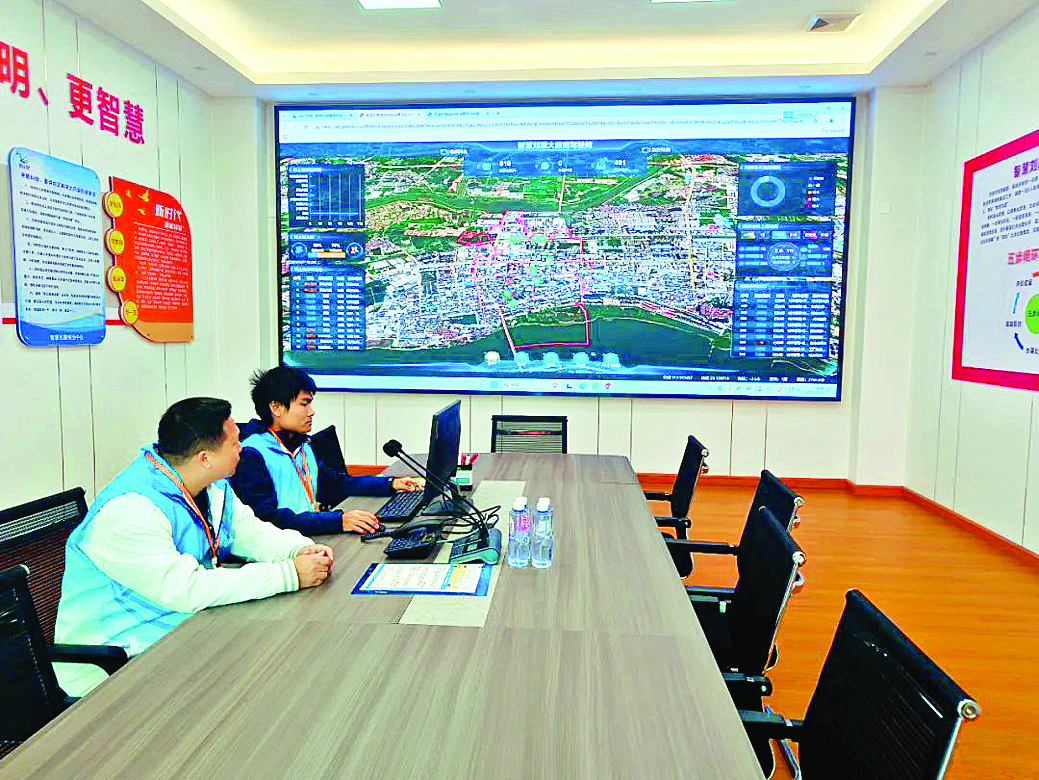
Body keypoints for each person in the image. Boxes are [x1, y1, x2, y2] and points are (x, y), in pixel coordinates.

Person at [53, 397, 334, 696]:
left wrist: (299, 549)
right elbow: (186, 589)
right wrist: (289, 575)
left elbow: (252, 533)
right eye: (234, 443)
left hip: (183, 635)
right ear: (205, 458)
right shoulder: (129, 511)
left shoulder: (211, 485)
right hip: (116, 667)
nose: (242, 448)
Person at [230, 367, 422, 536]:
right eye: (304, 404)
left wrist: (390, 484)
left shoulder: (301, 445)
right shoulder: (251, 454)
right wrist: (338, 521)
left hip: (305, 536)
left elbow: (334, 485)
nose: (311, 411)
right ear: (276, 408)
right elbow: (266, 519)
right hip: (279, 546)